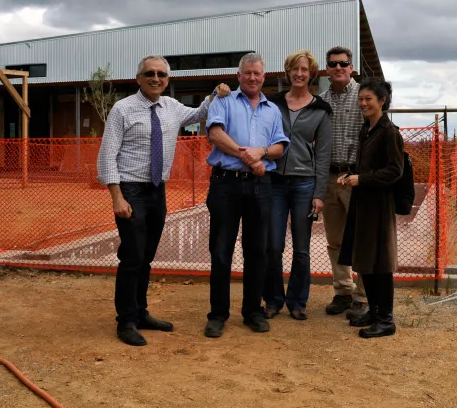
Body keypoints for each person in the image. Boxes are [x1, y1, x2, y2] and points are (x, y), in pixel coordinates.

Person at [97, 56, 230, 347]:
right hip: (130, 190)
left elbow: (198, 114)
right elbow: (107, 155)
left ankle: (141, 312)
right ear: (138, 77)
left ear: (167, 79)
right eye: (149, 73)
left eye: (161, 74)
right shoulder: (123, 109)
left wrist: (215, 92)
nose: (155, 78)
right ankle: (126, 321)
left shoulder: (172, 107)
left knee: (146, 255)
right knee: (132, 256)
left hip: (157, 191)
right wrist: (116, 196)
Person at [204, 52, 290, 338]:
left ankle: (253, 310)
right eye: (247, 73)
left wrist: (262, 153)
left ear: (264, 76)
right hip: (225, 185)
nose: (253, 78)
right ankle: (218, 314)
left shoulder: (272, 110)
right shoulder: (224, 101)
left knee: (258, 251)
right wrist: (250, 159)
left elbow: (279, 146)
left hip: (260, 188)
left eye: (257, 73)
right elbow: (215, 134)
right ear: (239, 75)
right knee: (220, 251)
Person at [262, 50, 332, 321]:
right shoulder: (273, 104)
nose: (299, 74)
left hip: (305, 184)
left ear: (311, 74)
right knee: (273, 245)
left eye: (304, 70)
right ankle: (273, 299)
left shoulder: (320, 110)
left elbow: (323, 154)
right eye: (295, 69)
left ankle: (298, 301)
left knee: (302, 249)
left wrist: (319, 193)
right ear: (288, 72)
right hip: (275, 183)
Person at [337, 78, 404, 339]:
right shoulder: (367, 129)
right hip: (363, 202)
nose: (363, 103)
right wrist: (351, 174)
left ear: (382, 101)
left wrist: (361, 179)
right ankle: (375, 312)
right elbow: (368, 166)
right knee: (366, 259)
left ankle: (386, 320)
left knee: (380, 263)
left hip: (378, 204)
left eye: (369, 99)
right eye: (361, 98)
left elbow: (394, 171)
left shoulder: (389, 132)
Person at [318, 47, 368, 319]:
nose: (338, 68)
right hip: (328, 177)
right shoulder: (321, 101)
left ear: (352, 68)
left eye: (343, 63)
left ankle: (362, 295)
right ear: (327, 69)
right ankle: (343, 291)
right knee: (335, 239)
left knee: (360, 239)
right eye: (333, 64)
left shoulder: (363, 98)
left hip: (355, 178)